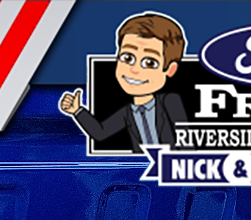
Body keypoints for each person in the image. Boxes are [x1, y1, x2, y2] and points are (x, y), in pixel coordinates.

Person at [59, 12, 187, 152]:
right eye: (127, 58)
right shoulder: (127, 113)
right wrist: (77, 111)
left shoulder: (170, 101)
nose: (134, 70)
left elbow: (185, 138)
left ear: (170, 69)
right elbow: (101, 133)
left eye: (149, 63)